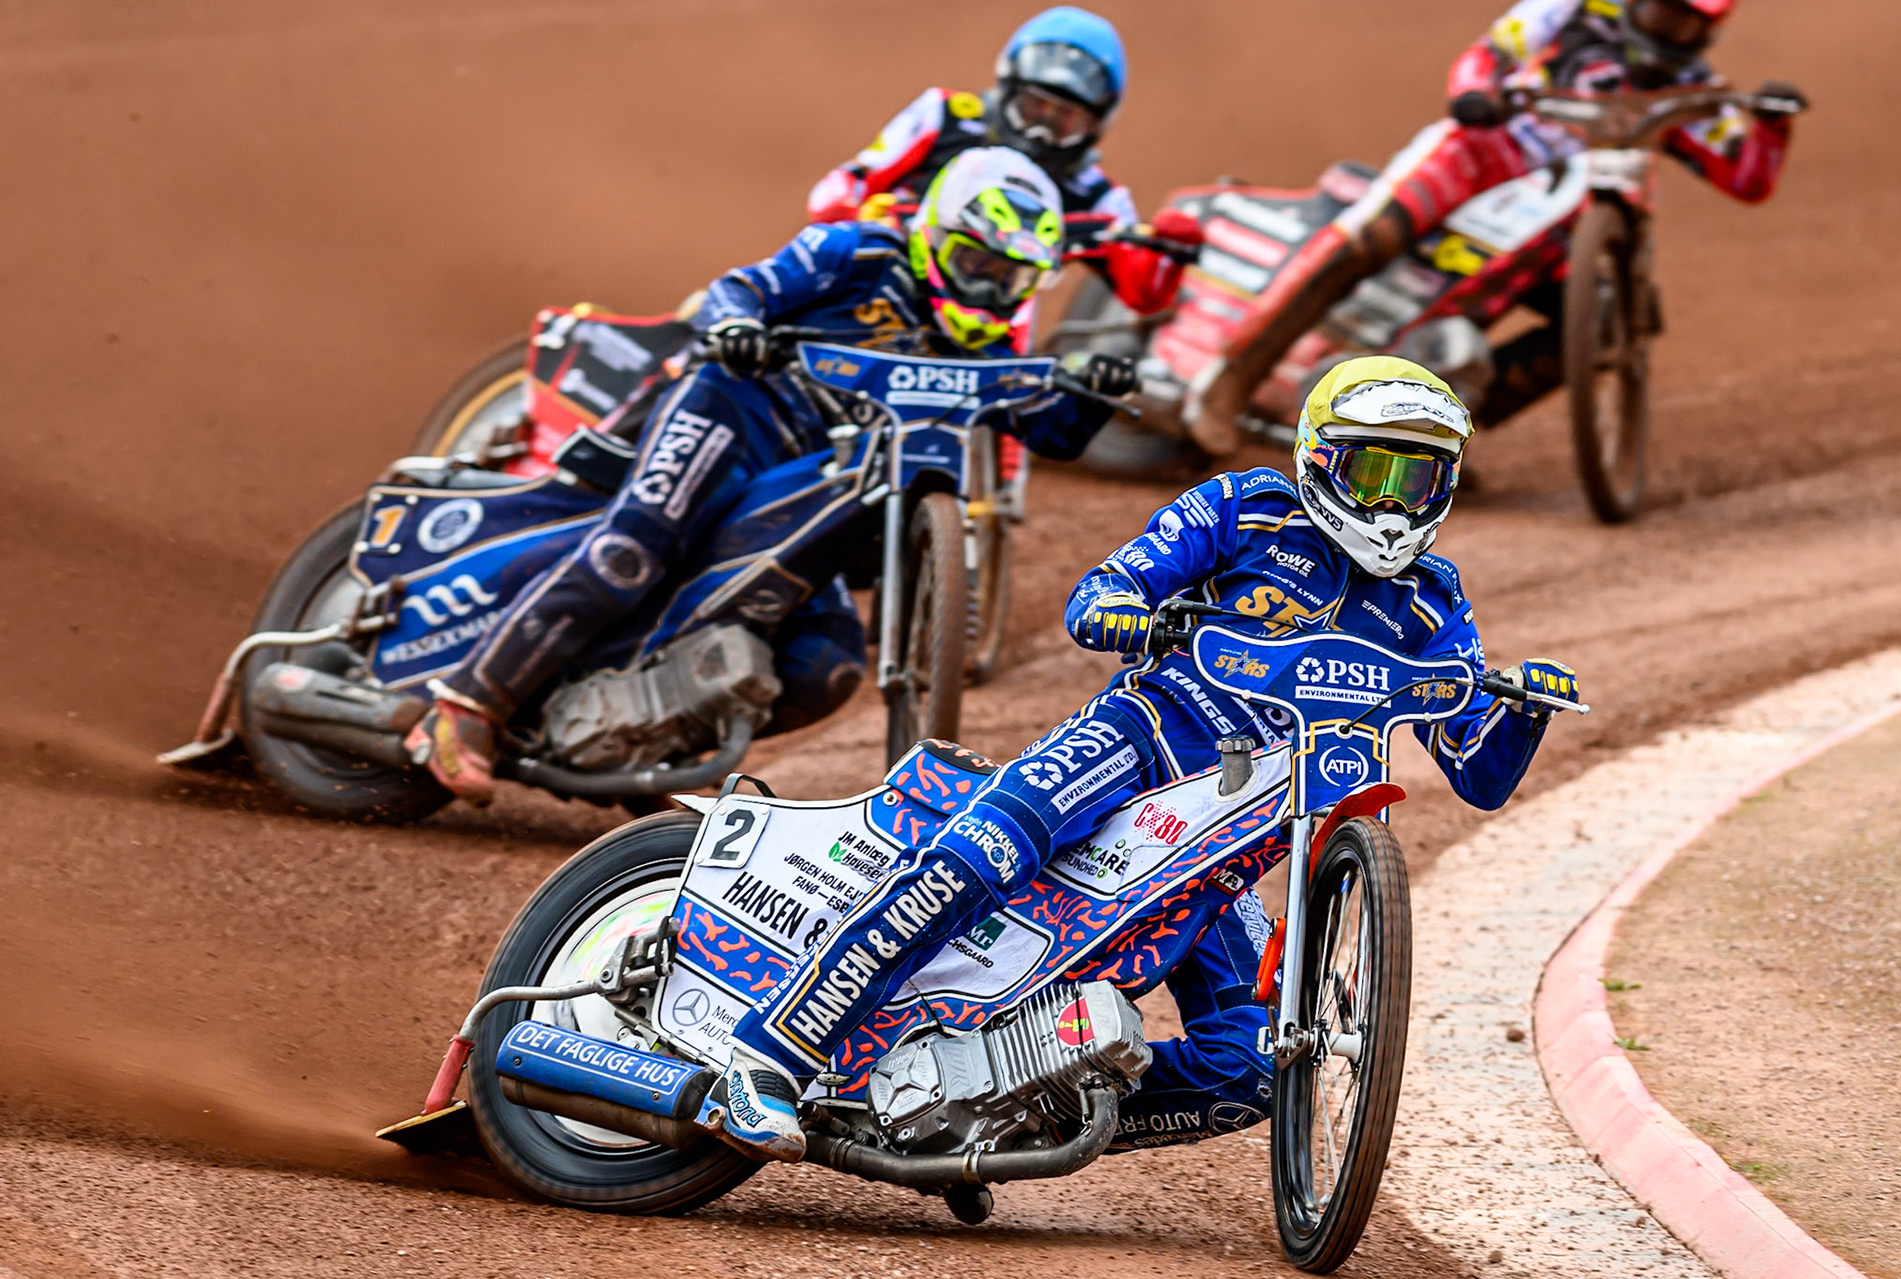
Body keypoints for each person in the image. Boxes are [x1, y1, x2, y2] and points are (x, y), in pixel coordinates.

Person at [713, 355, 1581, 1161]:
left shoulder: (1434, 600)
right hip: (1134, 746)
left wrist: (1523, 711)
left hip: (1232, 848)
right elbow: (1097, 598)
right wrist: (1135, 612)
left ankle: (1018, 1111)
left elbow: (1479, 772)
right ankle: (766, 1057)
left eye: (1417, 478)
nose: (1393, 504)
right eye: (1375, 473)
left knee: (1247, 1070)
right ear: (1321, 459)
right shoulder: (1244, 506)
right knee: (974, 859)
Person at [406, 148, 1137, 805]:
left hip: (818, 486)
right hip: (735, 414)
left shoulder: (982, 347)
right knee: (634, 551)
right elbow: (742, 289)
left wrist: (1091, 391)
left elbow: (1051, 432)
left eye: (1011, 279)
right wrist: (737, 328)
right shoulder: (855, 251)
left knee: (826, 665)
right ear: (939, 236)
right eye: (979, 264)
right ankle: (466, 706)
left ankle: (649, 746)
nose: (989, 290)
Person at [1187, 0, 1807, 453]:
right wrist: (1477, 93)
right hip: (1483, 154)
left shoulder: (1697, 92)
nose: (1668, 30)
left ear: (1709, 29)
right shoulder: (1563, 15)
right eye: (1660, 12)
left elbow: (1748, 180)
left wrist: (1775, 124)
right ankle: (1230, 383)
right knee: (1369, 240)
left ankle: (1429, 442)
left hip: (1568, 218)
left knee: (1609, 319)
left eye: (1686, 22)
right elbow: (1488, 55)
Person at [807, 6, 1200, 320]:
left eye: (1064, 119)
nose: (1041, 131)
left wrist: (1172, 250)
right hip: (880, 293)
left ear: (1097, 124)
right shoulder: (945, 115)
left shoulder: (1097, 194)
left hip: (991, 327)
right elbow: (839, 188)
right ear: (1007, 88)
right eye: (1035, 107)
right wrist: (859, 213)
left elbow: (1143, 294)